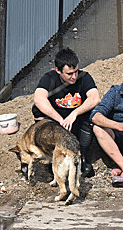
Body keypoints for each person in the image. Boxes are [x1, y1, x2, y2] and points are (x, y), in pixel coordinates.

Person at [31, 47, 102, 178]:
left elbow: (95, 98)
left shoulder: (84, 77)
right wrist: (59, 119)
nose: (74, 76)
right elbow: (38, 99)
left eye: (75, 71)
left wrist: (74, 114)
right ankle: (52, 157)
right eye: (69, 74)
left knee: (93, 113)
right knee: (37, 110)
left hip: (76, 122)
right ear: (58, 70)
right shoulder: (49, 79)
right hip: (57, 123)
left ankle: (82, 157)